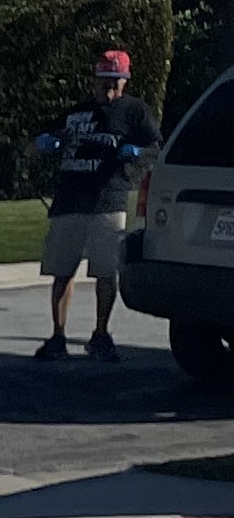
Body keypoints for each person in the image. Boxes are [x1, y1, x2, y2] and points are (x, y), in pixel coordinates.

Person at [35, 47, 159, 361]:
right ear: (95, 79)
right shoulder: (78, 112)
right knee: (63, 271)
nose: (109, 87)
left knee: (106, 271)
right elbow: (50, 135)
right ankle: (57, 336)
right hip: (70, 199)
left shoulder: (135, 111)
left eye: (115, 80)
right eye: (104, 79)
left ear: (125, 81)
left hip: (109, 198)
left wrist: (137, 152)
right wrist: (47, 142)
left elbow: (156, 146)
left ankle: (101, 333)